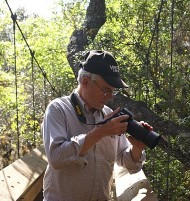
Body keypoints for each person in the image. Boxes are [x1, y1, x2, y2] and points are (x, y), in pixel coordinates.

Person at [41, 50, 153, 201]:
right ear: (86, 82)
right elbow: (56, 158)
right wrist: (100, 132)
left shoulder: (109, 114)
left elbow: (128, 164)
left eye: (113, 91)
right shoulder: (58, 109)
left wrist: (137, 148)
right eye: (106, 90)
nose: (110, 97)